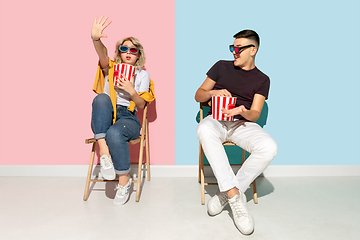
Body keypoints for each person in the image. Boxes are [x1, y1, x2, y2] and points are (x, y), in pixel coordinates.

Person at [195, 30, 277, 235]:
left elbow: (256, 113)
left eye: (239, 48)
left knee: (269, 147)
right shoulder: (221, 66)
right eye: (233, 47)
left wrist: (243, 111)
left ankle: (227, 193)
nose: (235, 52)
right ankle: (234, 196)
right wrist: (213, 93)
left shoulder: (262, 79)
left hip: (241, 124)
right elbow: (198, 95)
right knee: (204, 128)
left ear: (253, 50)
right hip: (217, 120)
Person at [90, 16, 154, 205]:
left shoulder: (143, 75)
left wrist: (132, 91)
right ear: (119, 52)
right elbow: (102, 55)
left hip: (128, 117)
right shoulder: (111, 68)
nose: (127, 52)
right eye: (123, 48)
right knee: (101, 97)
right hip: (106, 115)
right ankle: (104, 152)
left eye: (132, 50)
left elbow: (141, 105)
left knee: (115, 132)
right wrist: (96, 39)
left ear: (138, 55)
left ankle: (124, 181)